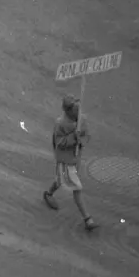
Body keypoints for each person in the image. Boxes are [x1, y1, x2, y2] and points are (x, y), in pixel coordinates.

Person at [41, 95, 98, 231]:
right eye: (75, 110)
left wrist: (81, 138)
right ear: (68, 111)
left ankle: (48, 194)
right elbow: (59, 143)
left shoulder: (81, 119)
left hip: (75, 158)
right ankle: (87, 219)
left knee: (60, 180)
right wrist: (74, 137)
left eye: (79, 109)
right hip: (65, 161)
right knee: (77, 188)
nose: (78, 112)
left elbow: (86, 136)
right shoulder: (60, 124)